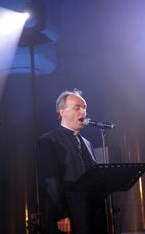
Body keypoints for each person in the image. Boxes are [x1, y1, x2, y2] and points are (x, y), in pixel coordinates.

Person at [36, 90, 106, 234]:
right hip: (69, 215)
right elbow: (51, 181)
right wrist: (61, 214)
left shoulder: (87, 143)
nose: (83, 112)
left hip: (91, 214)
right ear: (62, 111)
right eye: (77, 107)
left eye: (85, 107)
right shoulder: (48, 140)